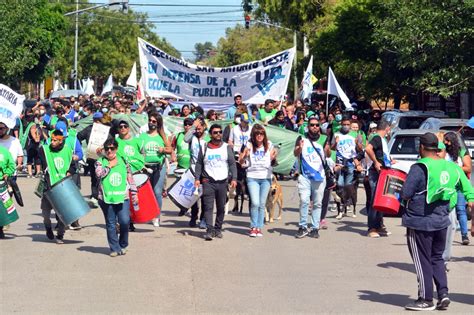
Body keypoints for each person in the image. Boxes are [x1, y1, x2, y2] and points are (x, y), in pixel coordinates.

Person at [400, 132, 474, 311]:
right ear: (439, 148)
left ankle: (425, 299)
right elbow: (467, 188)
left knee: (422, 260)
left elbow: (406, 193)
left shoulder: (420, 167)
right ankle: (443, 294)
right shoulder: (452, 167)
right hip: (442, 220)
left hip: (420, 221)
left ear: (421, 148)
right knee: (437, 259)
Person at [95, 138, 138, 257]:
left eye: (112, 148)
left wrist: (134, 194)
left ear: (116, 149)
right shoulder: (100, 162)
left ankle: (123, 244)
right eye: (107, 148)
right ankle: (114, 248)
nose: (109, 151)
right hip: (106, 198)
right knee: (111, 223)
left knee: (124, 221)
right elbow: (99, 174)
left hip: (122, 197)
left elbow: (130, 178)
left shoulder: (123, 161)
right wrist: (109, 166)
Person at [194, 124, 237, 241]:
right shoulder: (204, 147)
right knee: (208, 207)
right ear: (210, 134)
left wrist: (234, 178)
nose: (218, 134)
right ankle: (209, 229)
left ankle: (218, 229)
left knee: (221, 207)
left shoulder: (226, 147)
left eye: (220, 132)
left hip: (222, 182)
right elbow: (199, 164)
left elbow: (232, 164)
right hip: (208, 181)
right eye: (215, 132)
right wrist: (197, 178)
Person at [293, 116, 328, 239]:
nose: (314, 127)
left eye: (317, 125)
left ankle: (314, 228)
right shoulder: (301, 138)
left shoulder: (324, 139)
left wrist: (328, 150)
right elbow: (295, 153)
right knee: (304, 200)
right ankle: (302, 226)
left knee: (318, 203)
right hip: (305, 175)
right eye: (312, 125)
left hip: (319, 176)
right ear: (308, 126)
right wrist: (299, 148)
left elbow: (328, 155)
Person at [38, 130, 76, 244]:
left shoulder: (68, 151)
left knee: (62, 215)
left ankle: (60, 235)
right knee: (45, 213)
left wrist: (70, 171)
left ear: (61, 140)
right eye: (51, 139)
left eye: (55, 140)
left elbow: (73, 167)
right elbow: (39, 153)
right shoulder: (44, 150)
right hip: (48, 186)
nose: (52, 142)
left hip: (63, 186)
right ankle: (48, 227)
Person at [239, 124, 277, 237]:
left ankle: (258, 227)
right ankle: (253, 226)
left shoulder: (269, 145)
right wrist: (244, 155)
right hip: (252, 176)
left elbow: (274, 161)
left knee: (261, 204)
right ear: (253, 135)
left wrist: (273, 157)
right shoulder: (248, 145)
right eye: (257, 134)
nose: (259, 136)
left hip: (265, 177)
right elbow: (241, 163)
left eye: (261, 134)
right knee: (254, 202)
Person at [139, 112, 172, 227]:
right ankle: (148, 214)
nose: (151, 123)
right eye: (150, 120)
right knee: (147, 192)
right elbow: (137, 149)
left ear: (158, 123)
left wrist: (163, 150)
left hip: (159, 167)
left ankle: (156, 217)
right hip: (146, 168)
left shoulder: (162, 136)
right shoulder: (143, 136)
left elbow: (170, 150)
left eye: (154, 121)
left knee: (157, 192)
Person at [365, 120, 393, 238]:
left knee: (381, 200)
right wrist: (376, 162)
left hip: (383, 173)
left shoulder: (383, 140)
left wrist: (389, 161)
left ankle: (379, 225)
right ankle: (372, 227)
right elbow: (368, 149)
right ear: (387, 129)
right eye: (389, 129)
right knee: (374, 200)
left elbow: (382, 155)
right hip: (375, 173)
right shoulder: (377, 138)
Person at [443, 132, 472, 245]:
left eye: (447, 140)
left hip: (459, 185)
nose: (446, 143)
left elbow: (468, 168)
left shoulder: (462, 152)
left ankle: (464, 235)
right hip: (446, 184)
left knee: (461, 210)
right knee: (445, 209)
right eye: (445, 141)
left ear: (452, 141)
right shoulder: (443, 152)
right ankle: (444, 234)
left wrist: (455, 167)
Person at [184, 117, 209, 227]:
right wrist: (193, 127)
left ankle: (203, 218)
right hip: (193, 170)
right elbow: (185, 139)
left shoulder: (208, 137)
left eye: (200, 128)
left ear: (204, 127)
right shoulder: (193, 137)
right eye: (196, 129)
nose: (198, 131)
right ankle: (194, 216)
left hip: (206, 171)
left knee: (205, 196)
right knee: (193, 196)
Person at [0, 145, 16, 239]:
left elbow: (11, 165)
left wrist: (7, 173)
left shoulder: (4, 151)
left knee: (2, 209)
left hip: (1, 183)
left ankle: (1, 228)